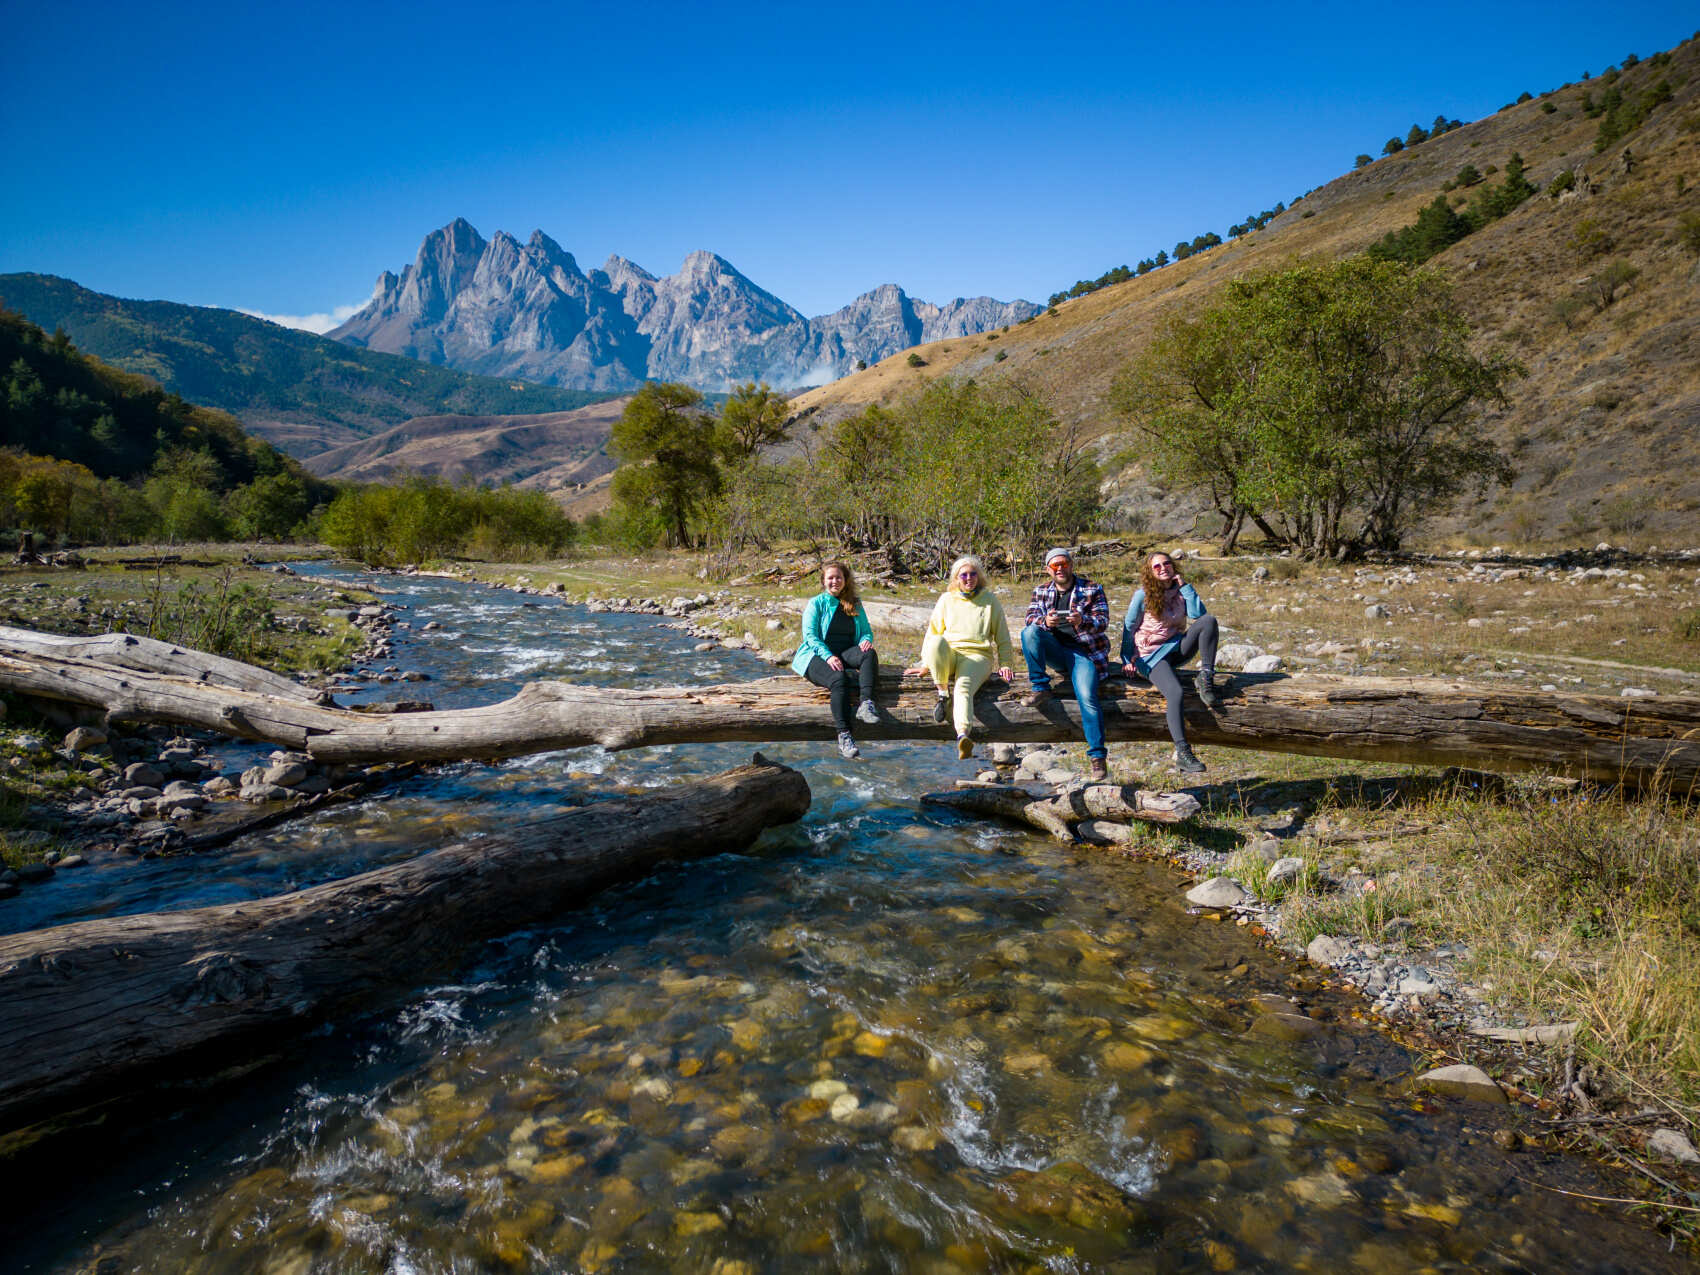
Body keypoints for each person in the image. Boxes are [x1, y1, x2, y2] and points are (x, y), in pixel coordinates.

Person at [1120, 550, 1219, 774]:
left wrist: (1185, 586)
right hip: (1149, 655)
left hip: (1174, 648)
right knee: (1175, 693)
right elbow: (1129, 626)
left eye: (1167, 564)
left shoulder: (1180, 591)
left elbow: (1198, 614)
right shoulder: (1142, 595)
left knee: (1208, 621)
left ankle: (1205, 676)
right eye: (1157, 566)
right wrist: (1127, 658)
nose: (1163, 568)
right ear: (1150, 572)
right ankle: (1183, 753)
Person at [1019, 547, 1112, 782]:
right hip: (1055, 649)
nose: (1060, 568)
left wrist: (1083, 620)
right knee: (1029, 632)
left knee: (1088, 697)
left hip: (1083, 652)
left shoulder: (1092, 588)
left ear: (1071, 564)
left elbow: (1103, 622)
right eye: (1054, 565)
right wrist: (1045, 621)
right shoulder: (1040, 591)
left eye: (1064, 564)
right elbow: (1030, 618)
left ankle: (1097, 757)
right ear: (1048, 569)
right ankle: (1040, 687)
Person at [906, 555, 1013, 760]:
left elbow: (1003, 637)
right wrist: (926, 663)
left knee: (963, 687)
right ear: (956, 578)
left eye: (973, 574)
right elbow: (933, 632)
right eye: (963, 575)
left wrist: (1006, 663)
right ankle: (942, 694)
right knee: (937, 641)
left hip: (977, 656)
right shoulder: (946, 599)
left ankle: (963, 736)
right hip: (951, 654)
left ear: (979, 576)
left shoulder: (990, 601)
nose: (968, 578)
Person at [792, 560, 879, 759]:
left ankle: (866, 704)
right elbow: (810, 637)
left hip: (846, 652)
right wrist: (828, 656)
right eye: (830, 578)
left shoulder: (854, 603)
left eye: (838, 577)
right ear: (823, 581)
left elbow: (866, 632)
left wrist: (866, 641)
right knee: (839, 679)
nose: (835, 581)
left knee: (869, 654)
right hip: (816, 655)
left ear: (845, 580)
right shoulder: (816, 603)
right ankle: (844, 735)